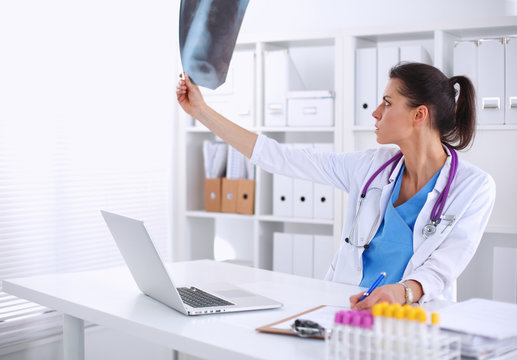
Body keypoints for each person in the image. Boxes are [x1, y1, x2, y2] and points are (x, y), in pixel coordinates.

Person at [176, 62, 496, 310]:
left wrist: (402, 292)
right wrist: (201, 112)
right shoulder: (371, 166)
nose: (376, 112)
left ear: (419, 115)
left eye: (387, 102)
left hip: (413, 317)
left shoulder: (473, 188)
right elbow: (281, 158)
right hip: (347, 308)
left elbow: (443, 269)